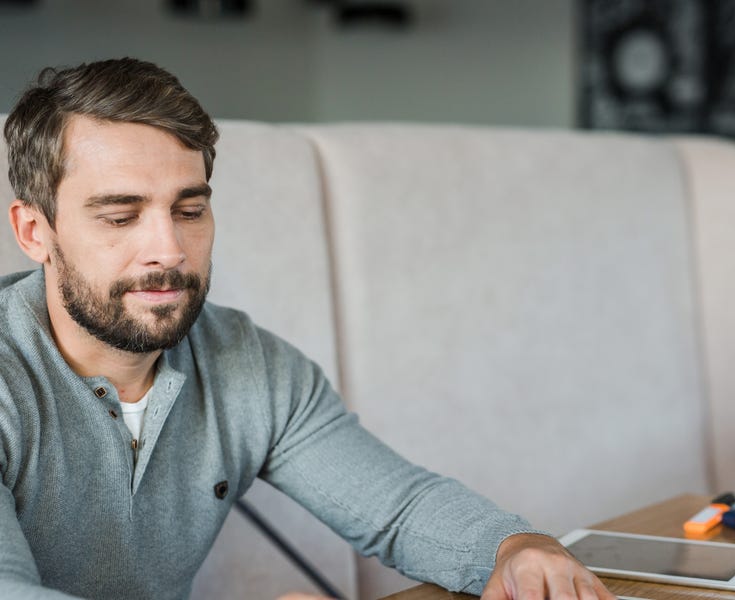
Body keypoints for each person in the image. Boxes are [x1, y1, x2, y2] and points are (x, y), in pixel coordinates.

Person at [0, 58, 614, 600]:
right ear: (34, 232)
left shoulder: (249, 364)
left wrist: (515, 548)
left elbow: (399, 509)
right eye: (120, 216)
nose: (169, 249)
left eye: (190, 211)